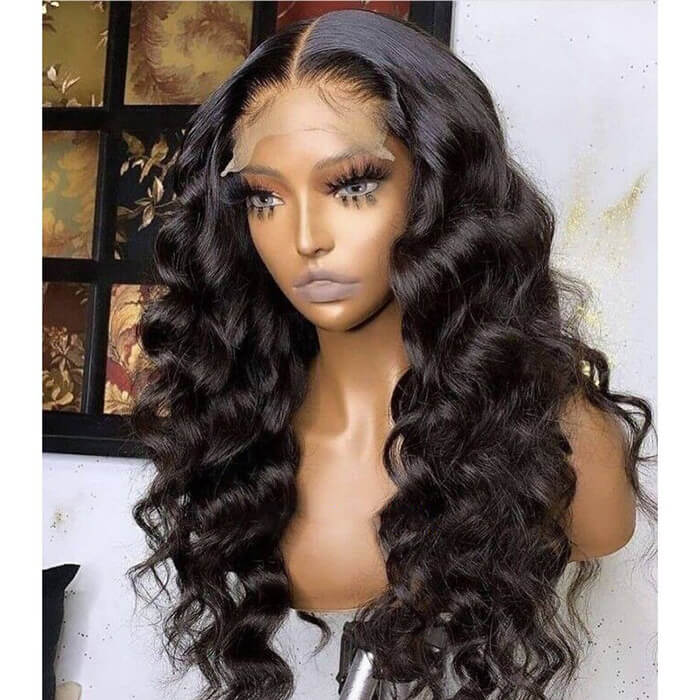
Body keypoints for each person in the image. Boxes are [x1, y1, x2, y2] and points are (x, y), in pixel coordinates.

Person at [127, 9, 657, 700]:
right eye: (264, 197)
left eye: (351, 186)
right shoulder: (235, 428)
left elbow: (602, 525)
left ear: (440, 188)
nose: (305, 238)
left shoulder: (561, 437)